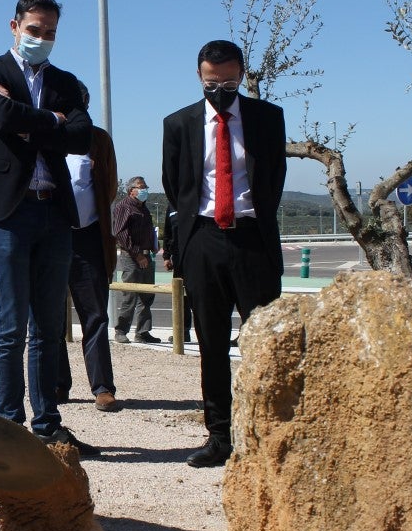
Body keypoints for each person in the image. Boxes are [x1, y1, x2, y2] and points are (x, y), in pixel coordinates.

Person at [0, 0, 97, 457]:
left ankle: (48, 424)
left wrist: (32, 120)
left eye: (50, 32)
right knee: (11, 327)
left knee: (49, 327)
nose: (42, 39)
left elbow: (81, 134)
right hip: (6, 214)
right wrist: (50, 121)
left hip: (53, 212)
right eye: (34, 30)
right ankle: (8, 425)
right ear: (14, 26)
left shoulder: (66, 82)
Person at [162, 39, 287, 468]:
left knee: (264, 341)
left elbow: (274, 176)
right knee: (211, 342)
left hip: (253, 238)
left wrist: (257, 219)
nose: (220, 89)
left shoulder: (268, 118)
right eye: (212, 82)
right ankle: (219, 435)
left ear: (242, 75)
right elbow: (175, 185)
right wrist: (182, 244)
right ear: (199, 77)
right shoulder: (178, 124)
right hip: (203, 240)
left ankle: (268, 432)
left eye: (229, 81)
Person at [56, 83, 120, 413]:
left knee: (95, 315)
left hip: (90, 237)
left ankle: (102, 387)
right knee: (49, 318)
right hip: (51, 236)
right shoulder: (46, 134)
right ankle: (57, 384)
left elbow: (110, 188)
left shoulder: (99, 140)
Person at [112, 176, 160, 345]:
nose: (144, 189)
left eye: (145, 186)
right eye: (141, 187)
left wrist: (154, 245)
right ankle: (121, 330)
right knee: (130, 295)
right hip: (131, 257)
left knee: (146, 296)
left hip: (147, 256)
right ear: (131, 190)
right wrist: (137, 254)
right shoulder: (124, 206)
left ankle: (143, 331)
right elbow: (120, 233)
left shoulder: (144, 209)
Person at [162, 208, 194, 343]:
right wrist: (166, 257)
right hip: (178, 259)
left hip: (196, 256)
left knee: (199, 296)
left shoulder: (194, 200)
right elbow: (168, 233)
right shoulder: (171, 207)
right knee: (181, 298)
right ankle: (183, 332)